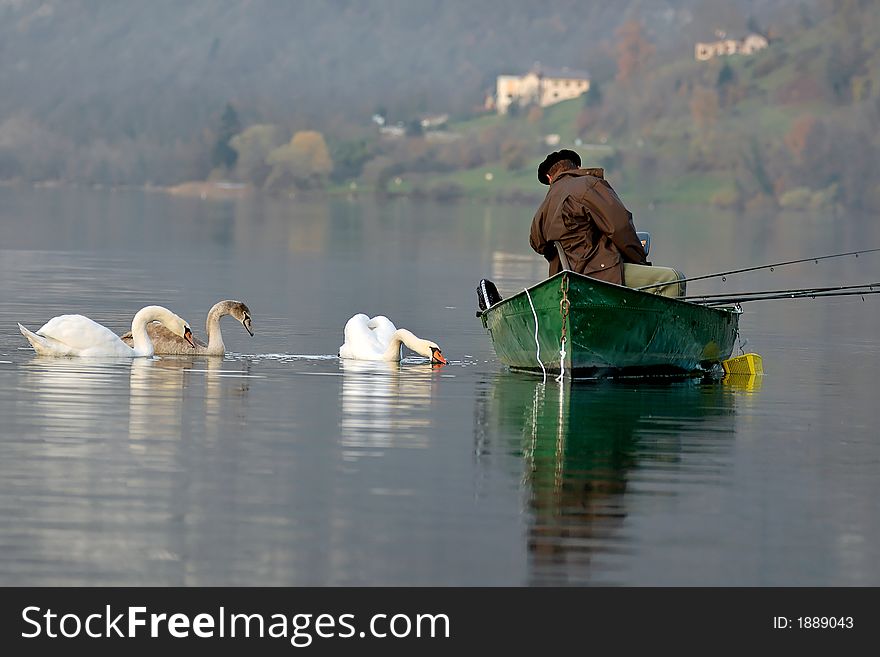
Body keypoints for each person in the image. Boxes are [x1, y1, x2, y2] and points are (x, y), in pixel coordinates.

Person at [528, 149, 684, 296]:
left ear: (550, 178)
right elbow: (620, 228)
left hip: (565, 283)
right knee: (673, 279)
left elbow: (537, 244)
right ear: (578, 168)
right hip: (601, 274)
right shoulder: (588, 185)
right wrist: (640, 262)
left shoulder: (543, 209)